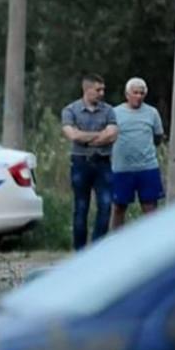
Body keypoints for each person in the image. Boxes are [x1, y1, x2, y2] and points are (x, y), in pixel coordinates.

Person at [61, 73, 118, 250]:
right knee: (81, 207)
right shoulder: (70, 110)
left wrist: (84, 136)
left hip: (103, 163)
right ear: (87, 89)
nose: (101, 93)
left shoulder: (108, 110)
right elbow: (72, 135)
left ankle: (97, 248)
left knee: (106, 204)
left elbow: (113, 133)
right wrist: (99, 136)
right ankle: (80, 250)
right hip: (80, 163)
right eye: (98, 89)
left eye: (103, 89)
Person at [110, 77, 165, 229]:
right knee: (119, 207)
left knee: (150, 208)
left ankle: (154, 242)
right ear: (127, 94)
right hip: (122, 168)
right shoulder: (114, 113)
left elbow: (158, 137)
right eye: (135, 93)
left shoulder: (152, 113)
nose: (138, 96)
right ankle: (116, 242)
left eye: (141, 93)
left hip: (147, 167)